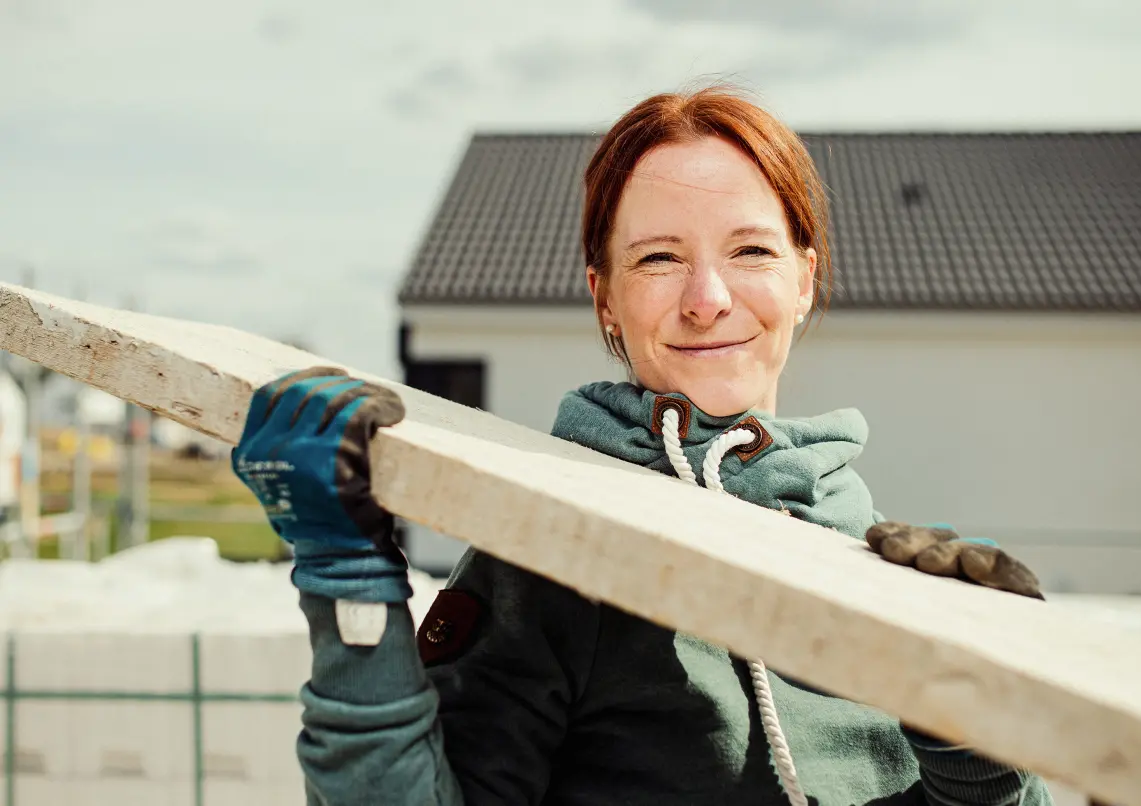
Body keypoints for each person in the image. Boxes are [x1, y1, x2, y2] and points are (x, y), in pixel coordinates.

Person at [232, 84, 1052, 806]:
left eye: (751, 251)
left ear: (805, 278)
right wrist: (348, 593)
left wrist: (975, 724)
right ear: (607, 300)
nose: (707, 299)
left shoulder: (886, 565)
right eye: (659, 259)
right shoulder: (549, 557)